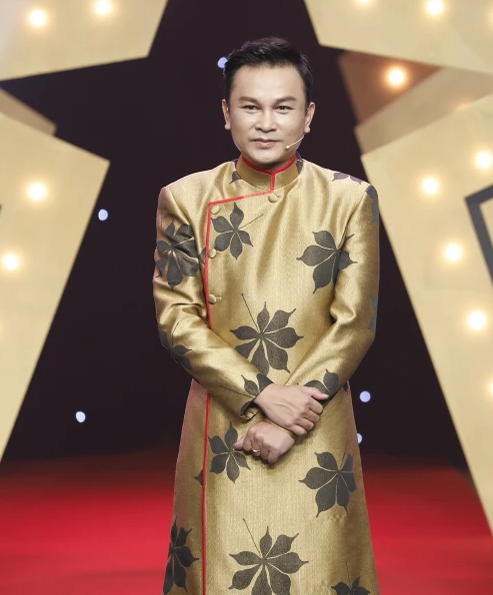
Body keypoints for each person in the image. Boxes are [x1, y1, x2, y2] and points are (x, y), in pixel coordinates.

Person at [153, 37, 380, 595]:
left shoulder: (349, 198)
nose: (266, 123)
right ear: (226, 112)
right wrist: (261, 394)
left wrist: (288, 413)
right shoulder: (185, 199)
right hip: (224, 423)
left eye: (283, 107)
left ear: (309, 115)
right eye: (250, 106)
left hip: (315, 420)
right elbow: (176, 318)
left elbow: (355, 322)